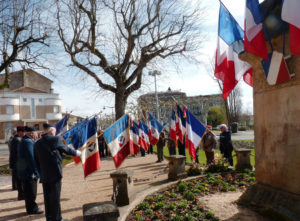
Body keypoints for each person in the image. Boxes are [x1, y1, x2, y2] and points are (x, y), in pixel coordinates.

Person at [34, 123, 81, 221]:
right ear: (51, 131)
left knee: (47, 198)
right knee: (55, 197)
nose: (55, 133)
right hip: (55, 173)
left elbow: (36, 160)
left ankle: (50, 218)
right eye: (55, 132)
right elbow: (65, 150)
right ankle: (57, 218)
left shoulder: (37, 143)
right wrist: (76, 153)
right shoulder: (55, 139)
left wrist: (41, 172)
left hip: (44, 175)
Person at [17, 126, 43, 215]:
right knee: (31, 192)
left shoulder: (24, 141)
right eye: (36, 133)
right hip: (29, 172)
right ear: (31, 133)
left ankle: (31, 208)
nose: (36, 135)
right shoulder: (28, 142)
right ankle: (32, 209)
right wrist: (36, 172)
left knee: (29, 192)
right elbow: (31, 159)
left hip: (25, 171)